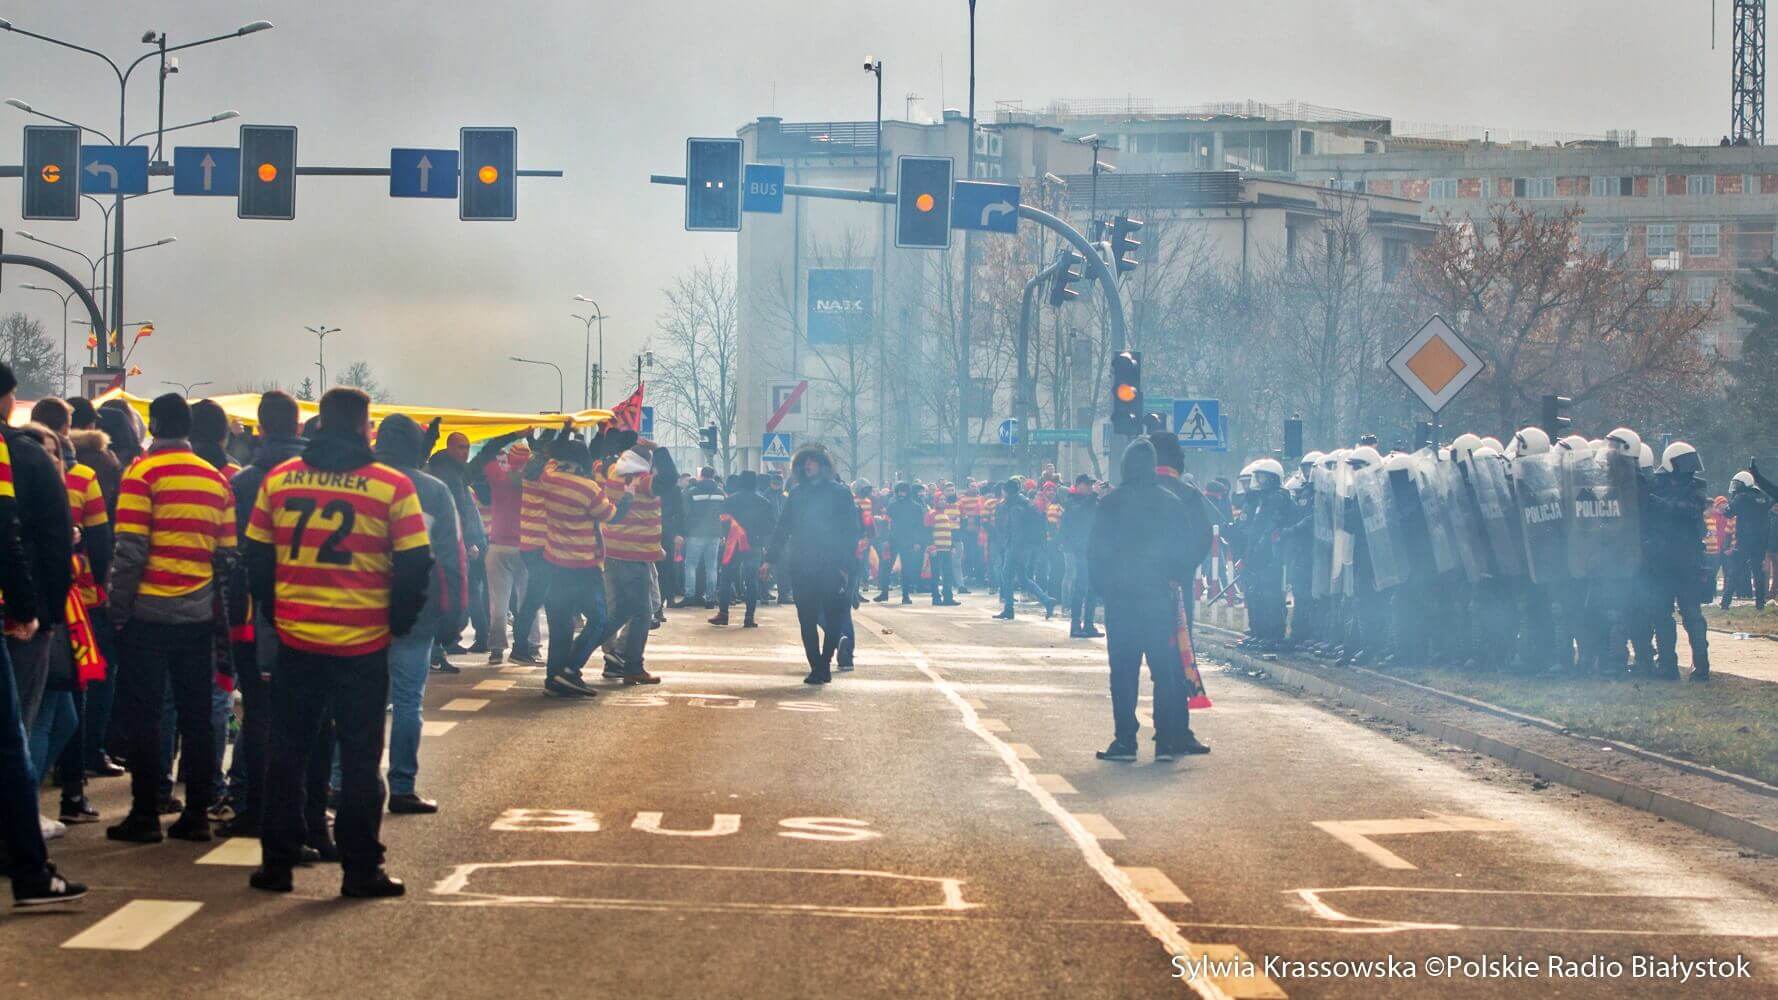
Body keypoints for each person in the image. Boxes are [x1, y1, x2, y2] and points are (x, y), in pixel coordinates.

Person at [247, 388, 431, 897]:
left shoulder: (279, 481)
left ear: (318, 424)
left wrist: (277, 609)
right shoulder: (391, 487)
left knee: (286, 755)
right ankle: (359, 869)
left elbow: (256, 557)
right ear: (363, 426)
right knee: (358, 761)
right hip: (362, 645)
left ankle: (276, 865)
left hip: (297, 641)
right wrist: (395, 620)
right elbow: (417, 563)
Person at [103, 394, 234, 845]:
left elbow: (130, 551)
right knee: (197, 719)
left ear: (154, 425)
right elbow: (226, 557)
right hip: (197, 618)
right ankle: (196, 815)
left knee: (146, 716)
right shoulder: (216, 480)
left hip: (147, 617)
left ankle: (144, 814)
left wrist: (117, 612)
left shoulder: (141, 475)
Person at [0, 366, 86, 906]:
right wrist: (34, 609)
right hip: (12, 615)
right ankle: (30, 871)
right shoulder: (16, 456)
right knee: (12, 741)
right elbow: (6, 534)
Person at [219, 391, 307, 839]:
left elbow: (231, 553)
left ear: (260, 426)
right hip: (311, 614)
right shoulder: (316, 481)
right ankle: (303, 810)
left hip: (252, 613)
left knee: (258, 711)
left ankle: (253, 804)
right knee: (310, 715)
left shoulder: (244, 482)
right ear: (297, 427)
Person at [1088, 439, 1202, 762]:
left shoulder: (1110, 504)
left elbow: (1095, 552)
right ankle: (1166, 740)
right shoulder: (1171, 503)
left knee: (1123, 672)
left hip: (1121, 602)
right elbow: (1187, 550)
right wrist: (1173, 578)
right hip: (1159, 601)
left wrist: (1103, 588)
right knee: (1164, 671)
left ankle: (1125, 740)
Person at [374, 414, 465, 811]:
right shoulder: (434, 490)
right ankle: (403, 786)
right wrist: (456, 614)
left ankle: (342, 782)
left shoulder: (363, 481)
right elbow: (451, 557)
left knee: (360, 701)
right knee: (409, 700)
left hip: (361, 607)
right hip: (418, 607)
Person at [764, 445, 862, 684]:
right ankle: (815, 663)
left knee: (834, 617)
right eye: (805, 462)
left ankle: (824, 663)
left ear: (823, 465)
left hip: (832, 564)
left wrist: (846, 566)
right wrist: (769, 559)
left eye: (813, 462)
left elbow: (851, 531)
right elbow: (782, 528)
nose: (808, 466)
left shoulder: (840, 493)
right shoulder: (797, 494)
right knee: (806, 618)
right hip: (802, 564)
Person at [534, 437, 616, 697]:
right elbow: (608, 514)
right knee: (600, 621)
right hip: (584, 565)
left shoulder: (547, 478)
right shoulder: (587, 488)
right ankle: (570, 669)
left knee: (561, 625)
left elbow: (546, 460)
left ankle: (553, 679)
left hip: (554, 562)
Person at [600, 447, 665, 684]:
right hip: (633, 556)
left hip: (613, 552)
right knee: (642, 613)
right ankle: (632, 665)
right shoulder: (642, 481)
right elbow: (668, 478)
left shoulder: (612, 475)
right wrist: (660, 450)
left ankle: (610, 658)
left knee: (617, 611)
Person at [478, 437, 534, 665]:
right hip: (527, 547)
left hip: (498, 546)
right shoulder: (533, 481)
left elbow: (486, 452)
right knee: (527, 600)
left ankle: (496, 649)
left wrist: (514, 433)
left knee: (498, 601)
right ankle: (526, 646)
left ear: (509, 460)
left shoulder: (497, 476)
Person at [711, 470, 775, 627]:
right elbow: (770, 526)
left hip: (733, 544)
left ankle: (723, 614)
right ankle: (749, 617)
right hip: (754, 544)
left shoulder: (730, 501)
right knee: (751, 581)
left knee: (726, 578)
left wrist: (727, 534)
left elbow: (722, 520)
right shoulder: (764, 502)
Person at [680, 466, 725, 607]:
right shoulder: (720, 493)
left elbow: (685, 513)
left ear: (701, 475)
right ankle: (711, 599)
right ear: (713, 475)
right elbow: (725, 514)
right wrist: (723, 532)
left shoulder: (692, 492)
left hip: (695, 533)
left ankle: (689, 596)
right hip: (715, 534)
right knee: (711, 567)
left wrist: (684, 532)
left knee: (691, 565)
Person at [885, 482, 928, 605]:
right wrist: (886, 539)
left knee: (907, 569)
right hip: (894, 539)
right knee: (887, 566)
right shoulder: (892, 506)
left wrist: (917, 542)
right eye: (899, 491)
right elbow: (887, 522)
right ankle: (884, 592)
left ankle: (906, 595)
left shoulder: (916, 507)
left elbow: (919, 526)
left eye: (903, 491)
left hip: (909, 541)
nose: (901, 494)